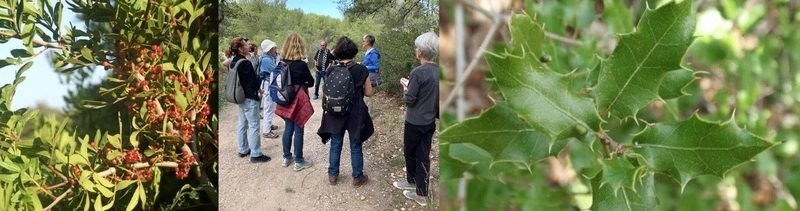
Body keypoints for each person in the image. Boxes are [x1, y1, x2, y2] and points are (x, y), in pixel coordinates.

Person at [317, 36, 374, 187]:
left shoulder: (331, 70)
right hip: (355, 112)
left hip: (335, 112)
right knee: (355, 144)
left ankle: (332, 175)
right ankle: (357, 177)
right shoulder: (361, 69)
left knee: (336, 143)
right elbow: (369, 93)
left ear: (338, 52)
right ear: (354, 52)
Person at [392, 32, 439, 206]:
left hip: (413, 122)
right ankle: (418, 187)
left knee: (411, 153)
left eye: (416, 48)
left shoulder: (418, 72)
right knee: (424, 155)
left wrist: (405, 87)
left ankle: (417, 191)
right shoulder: (439, 71)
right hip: (430, 122)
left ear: (420, 51)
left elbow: (409, 99)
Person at [274, 32, 315, 172]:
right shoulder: (301, 65)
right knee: (299, 129)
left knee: (288, 128)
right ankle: (299, 161)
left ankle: (286, 157)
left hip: (285, 98)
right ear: (299, 47)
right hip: (298, 98)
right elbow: (311, 82)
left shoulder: (281, 63)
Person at [229, 37, 271, 163]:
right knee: (254, 125)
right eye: (246, 44)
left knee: (242, 124)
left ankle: (243, 149)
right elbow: (252, 80)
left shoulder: (234, 61)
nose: (248, 45)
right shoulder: (245, 63)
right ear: (241, 49)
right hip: (249, 97)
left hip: (240, 97)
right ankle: (256, 154)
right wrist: (259, 90)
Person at [259, 39, 280, 139]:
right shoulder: (266, 60)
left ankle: (268, 125)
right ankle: (266, 131)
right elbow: (276, 69)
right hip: (268, 84)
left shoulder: (266, 58)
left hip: (268, 83)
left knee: (271, 106)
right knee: (268, 107)